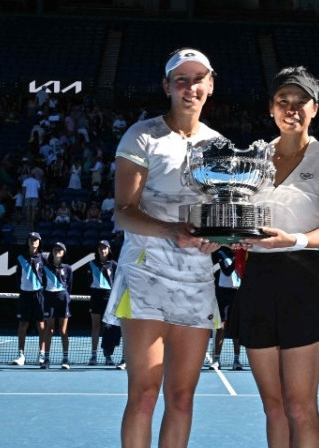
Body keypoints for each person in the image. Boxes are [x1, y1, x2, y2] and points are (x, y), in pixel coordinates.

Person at [102, 48, 223, 447]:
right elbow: (124, 212)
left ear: (210, 85)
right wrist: (173, 230)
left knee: (182, 398)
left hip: (197, 279)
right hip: (145, 273)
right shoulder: (142, 135)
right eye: (181, 79)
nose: (190, 87)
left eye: (197, 79)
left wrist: (216, 235)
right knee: (143, 394)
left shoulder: (221, 147)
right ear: (167, 86)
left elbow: (221, 218)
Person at [230, 65, 319, 448]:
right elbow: (240, 217)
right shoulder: (250, 159)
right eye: (284, 101)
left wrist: (291, 240)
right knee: (274, 406)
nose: (292, 109)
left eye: (301, 103)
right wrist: (234, 237)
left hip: (305, 280)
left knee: (301, 406)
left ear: (315, 109)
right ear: (271, 109)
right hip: (259, 281)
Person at [11, 232, 47, 366]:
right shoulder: (21, 258)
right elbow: (18, 277)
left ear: (39, 242)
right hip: (25, 295)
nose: (33, 242)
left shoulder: (43, 258)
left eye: (36, 240)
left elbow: (46, 276)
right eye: (31, 240)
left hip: (39, 295)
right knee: (23, 324)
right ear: (28, 242)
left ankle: (42, 354)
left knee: (41, 324)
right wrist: (22, 288)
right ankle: (21, 355)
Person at [210, 247, 245, 371]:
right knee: (221, 327)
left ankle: (236, 360)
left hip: (237, 293)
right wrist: (237, 258)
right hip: (222, 293)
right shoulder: (220, 252)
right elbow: (227, 271)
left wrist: (241, 256)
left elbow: (242, 271)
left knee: (237, 328)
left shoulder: (242, 253)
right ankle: (216, 359)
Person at [40, 241, 73, 369]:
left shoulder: (68, 268)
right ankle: (46, 359)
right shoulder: (45, 267)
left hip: (63, 299)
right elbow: (42, 283)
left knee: (63, 330)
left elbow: (69, 286)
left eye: (60, 249)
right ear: (52, 252)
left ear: (64, 252)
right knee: (49, 329)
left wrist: (65, 297)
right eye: (55, 249)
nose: (57, 251)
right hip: (49, 299)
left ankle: (65, 359)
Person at [86, 240, 118, 366]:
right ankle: (93, 356)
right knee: (95, 326)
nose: (102, 250)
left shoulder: (114, 265)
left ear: (109, 249)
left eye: (105, 248)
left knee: (107, 328)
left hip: (109, 298)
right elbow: (88, 281)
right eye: (100, 248)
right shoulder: (91, 264)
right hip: (96, 297)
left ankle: (108, 355)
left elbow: (117, 281)